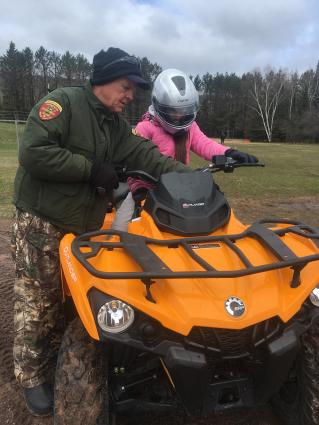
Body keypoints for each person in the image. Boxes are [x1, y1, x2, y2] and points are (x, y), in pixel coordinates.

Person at [11, 48, 192, 417]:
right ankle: (30, 375)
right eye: (126, 87)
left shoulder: (113, 126)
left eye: (133, 90)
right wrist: (90, 169)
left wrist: (191, 179)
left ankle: (62, 359)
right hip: (42, 222)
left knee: (68, 304)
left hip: (82, 228)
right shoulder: (62, 104)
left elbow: (146, 155)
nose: (130, 96)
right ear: (103, 81)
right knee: (38, 302)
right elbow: (33, 152)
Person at [111, 68, 258, 231]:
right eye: (173, 111)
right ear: (158, 105)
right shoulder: (144, 128)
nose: (179, 116)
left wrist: (229, 153)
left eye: (184, 111)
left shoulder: (190, 128)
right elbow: (136, 158)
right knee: (120, 227)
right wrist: (138, 189)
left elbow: (205, 144)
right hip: (146, 191)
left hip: (181, 190)